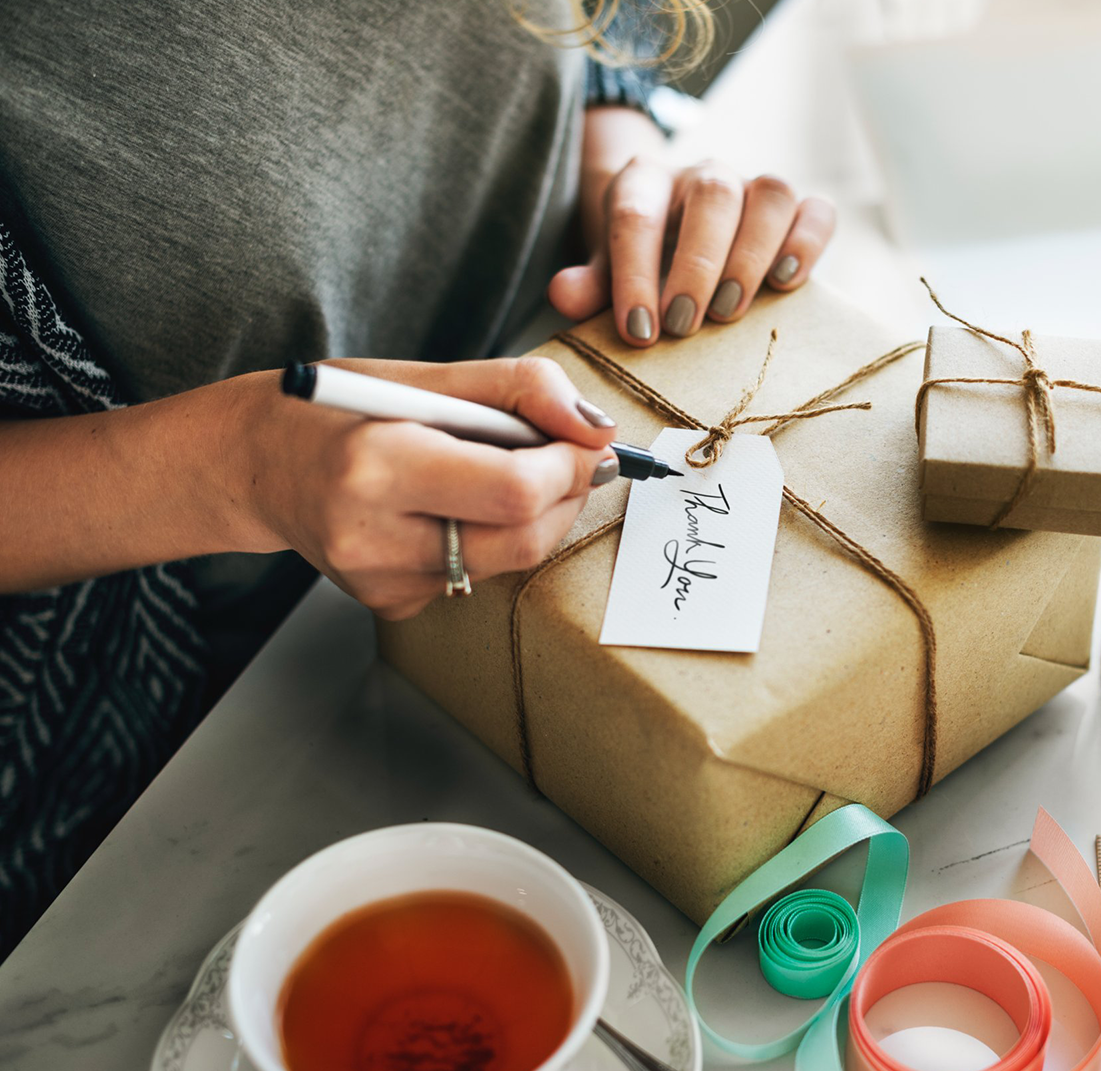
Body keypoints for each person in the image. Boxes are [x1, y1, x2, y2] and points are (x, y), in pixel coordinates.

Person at [0, 0, 834, 956]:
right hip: (179, 756)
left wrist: (615, 160)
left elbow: (582, 31)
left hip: (527, 520)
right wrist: (234, 464)